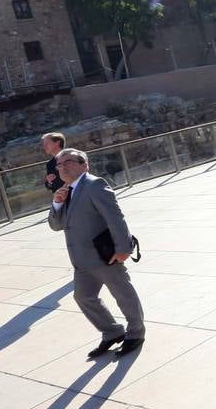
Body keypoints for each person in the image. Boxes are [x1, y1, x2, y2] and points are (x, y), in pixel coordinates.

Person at [47, 148, 146, 359]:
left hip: (104, 255)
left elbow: (115, 217)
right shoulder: (66, 190)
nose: (62, 167)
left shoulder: (94, 184)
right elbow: (56, 226)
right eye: (59, 164)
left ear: (84, 164)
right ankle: (112, 331)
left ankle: (136, 332)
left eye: (68, 162)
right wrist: (57, 203)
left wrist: (123, 249)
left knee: (122, 294)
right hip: (81, 260)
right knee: (83, 296)